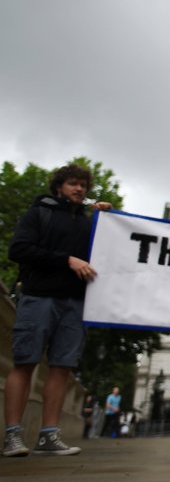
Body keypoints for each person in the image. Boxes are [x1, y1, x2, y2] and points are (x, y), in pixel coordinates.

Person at [3, 163, 112, 457]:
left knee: (62, 367)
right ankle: (13, 434)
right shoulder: (39, 213)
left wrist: (107, 221)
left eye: (83, 186)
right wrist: (67, 260)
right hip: (39, 296)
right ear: (59, 186)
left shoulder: (89, 222)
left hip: (75, 303)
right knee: (25, 362)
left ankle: (48, 435)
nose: (79, 189)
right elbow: (19, 249)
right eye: (73, 184)